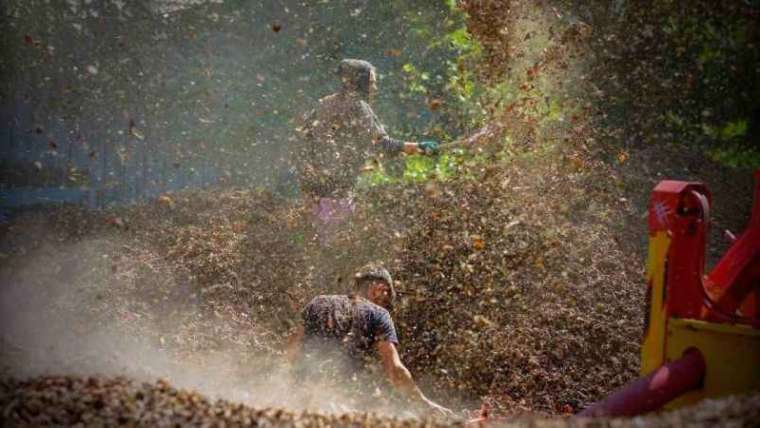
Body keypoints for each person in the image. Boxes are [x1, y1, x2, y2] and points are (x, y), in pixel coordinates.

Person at [295, 59, 439, 244]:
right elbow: (383, 145)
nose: (374, 88)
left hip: (312, 190)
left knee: (318, 240)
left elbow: (305, 140)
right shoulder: (359, 107)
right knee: (336, 245)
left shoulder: (324, 103)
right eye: (371, 83)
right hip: (336, 190)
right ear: (360, 82)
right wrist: (420, 147)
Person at [285, 263, 453, 416]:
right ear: (379, 289)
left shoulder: (319, 302)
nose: (385, 303)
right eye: (386, 296)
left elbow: (293, 345)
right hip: (334, 400)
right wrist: (424, 403)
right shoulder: (378, 314)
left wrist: (290, 379)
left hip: (300, 397)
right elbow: (395, 370)